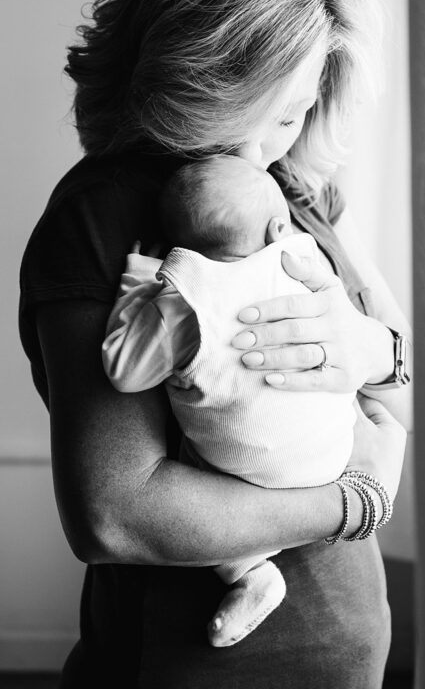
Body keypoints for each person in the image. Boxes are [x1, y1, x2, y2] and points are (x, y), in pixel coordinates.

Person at [19, 0, 411, 689]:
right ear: (198, 82)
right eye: (257, 113)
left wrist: (369, 349)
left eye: (295, 112)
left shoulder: (296, 186)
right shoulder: (106, 213)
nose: (263, 150)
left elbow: (398, 364)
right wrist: (356, 499)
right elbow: (117, 513)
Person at [102, 154, 386, 648]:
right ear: (279, 227)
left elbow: (123, 371)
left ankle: (250, 571)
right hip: (335, 455)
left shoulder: (182, 305)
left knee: (189, 455)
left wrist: (137, 284)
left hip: (248, 476)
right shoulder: (305, 267)